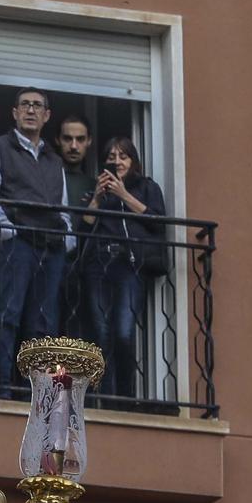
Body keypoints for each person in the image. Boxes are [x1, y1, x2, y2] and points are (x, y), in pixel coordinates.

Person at [0, 88, 74, 396]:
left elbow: (64, 207)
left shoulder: (54, 161)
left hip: (51, 247)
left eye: (37, 105)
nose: (31, 110)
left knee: (43, 324)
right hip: (17, 244)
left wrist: (67, 240)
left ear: (47, 116)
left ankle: (39, 395)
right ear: (15, 113)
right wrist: (7, 232)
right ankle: (2, 386)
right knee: (9, 316)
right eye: (25, 105)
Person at [81, 135, 168, 402]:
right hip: (98, 264)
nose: (117, 161)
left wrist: (124, 195)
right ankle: (106, 399)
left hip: (128, 265)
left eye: (123, 156)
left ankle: (126, 397)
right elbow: (83, 227)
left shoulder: (146, 187)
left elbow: (158, 221)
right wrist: (96, 198)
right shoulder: (96, 190)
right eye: (111, 156)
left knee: (123, 332)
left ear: (133, 161)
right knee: (101, 333)